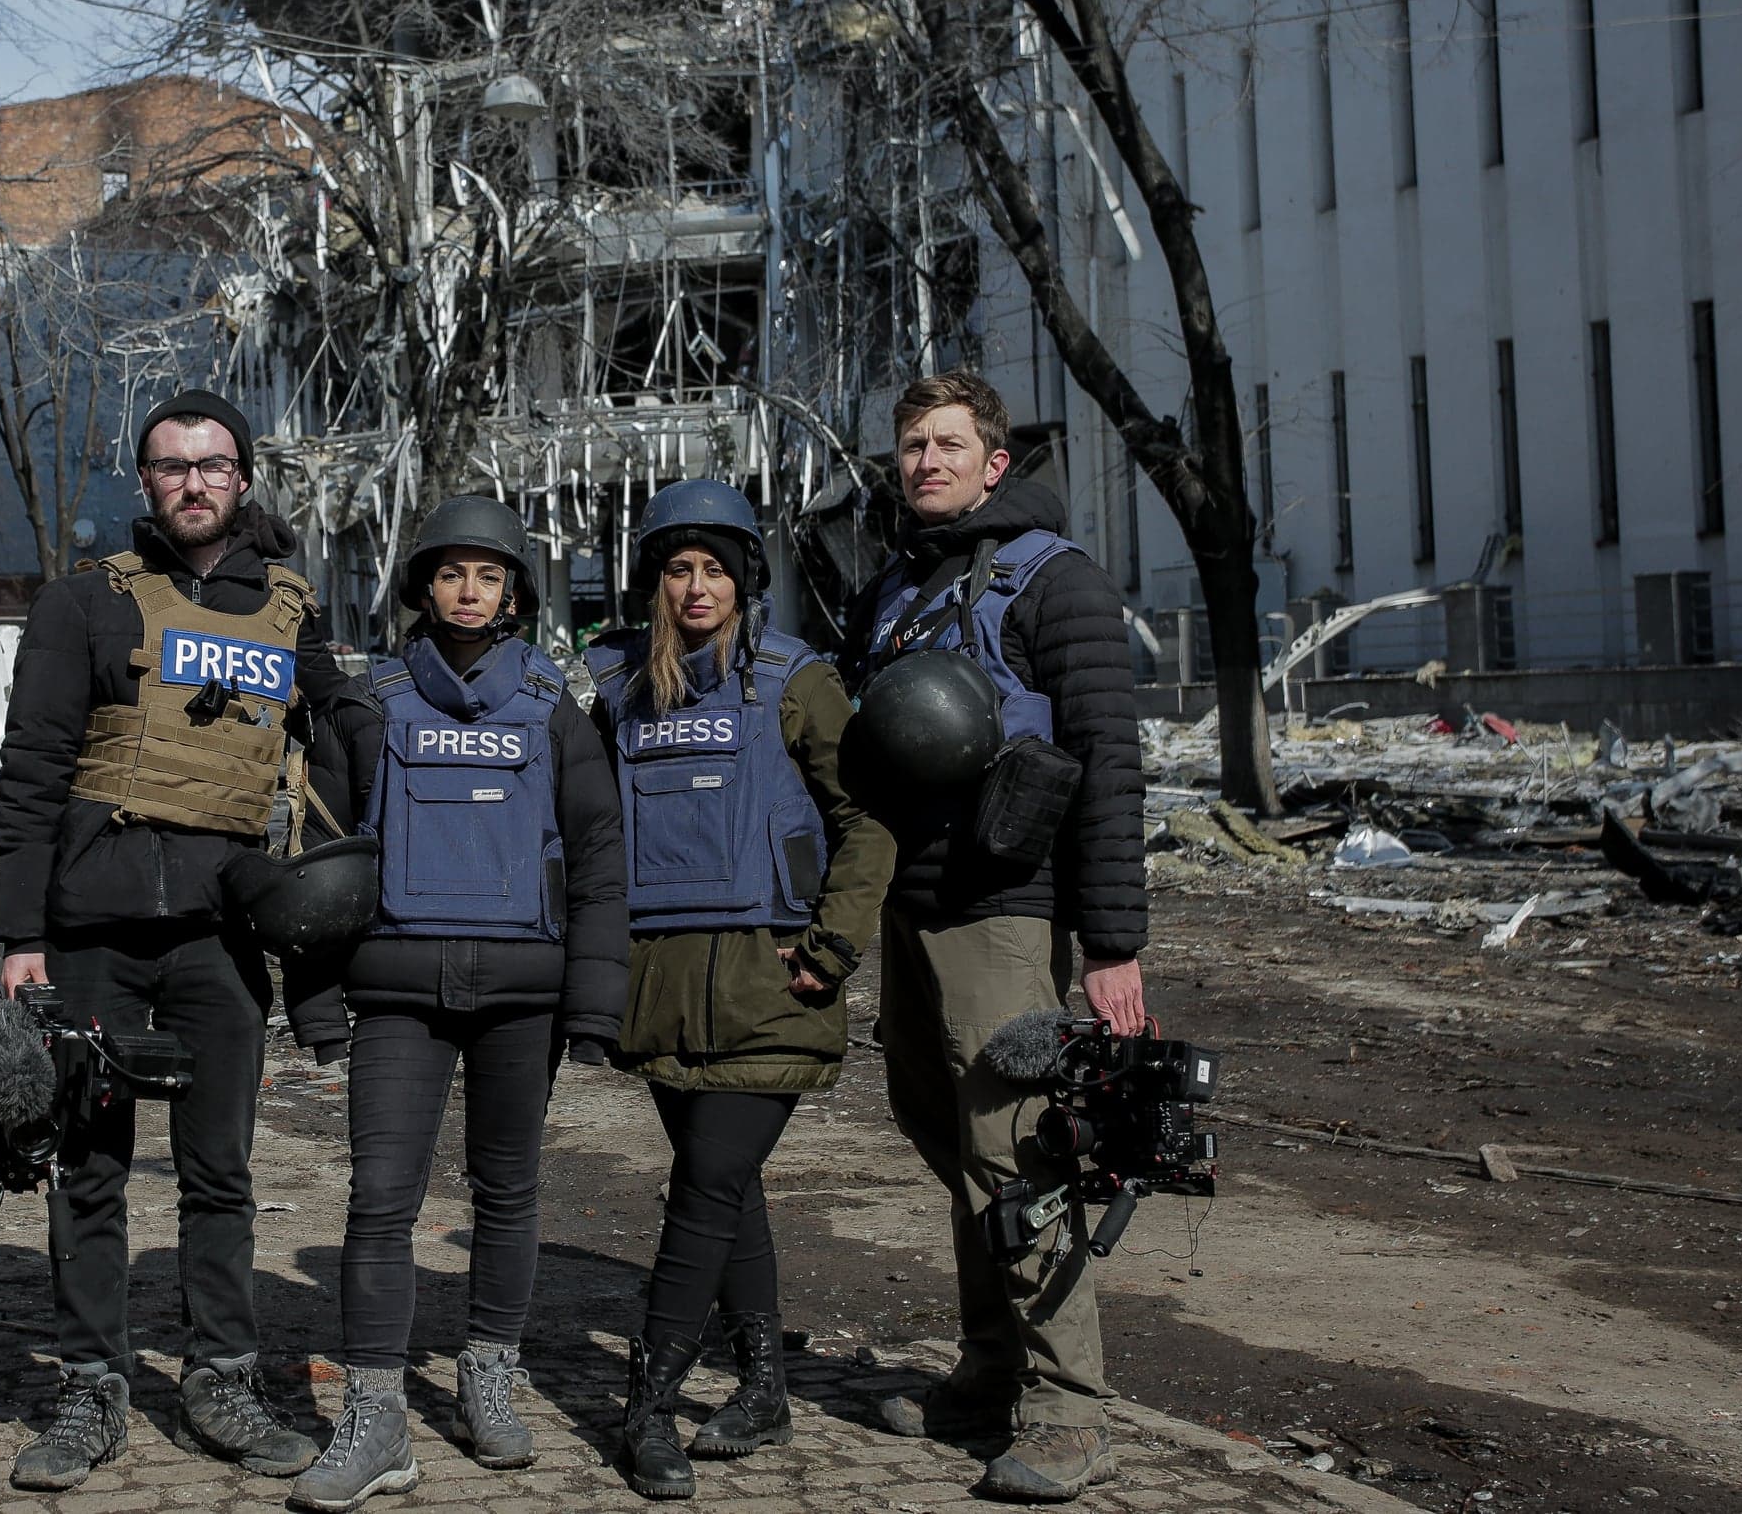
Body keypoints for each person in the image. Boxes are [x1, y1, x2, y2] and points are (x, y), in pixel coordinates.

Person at [0, 388, 380, 1494]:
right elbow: (30, 775)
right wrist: (18, 936)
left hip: (217, 934)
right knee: (91, 1173)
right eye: (172, 466)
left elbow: (338, 741)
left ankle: (221, 1383)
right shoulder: (83, 606)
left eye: (214, 465)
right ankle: (90, 1390)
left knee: (221, 1175)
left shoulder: (291, 607)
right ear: (145, 480)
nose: (194, 482)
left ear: (243, 479)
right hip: (93, 935)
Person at [285, 496, 630, 1514]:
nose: (470, 591)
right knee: (379, 1201)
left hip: (524, 991)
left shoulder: (552, 708)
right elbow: (318, 852)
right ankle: (376, 1418)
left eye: (489, 575)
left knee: (508, 1193)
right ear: (422, 587)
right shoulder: (372, 701)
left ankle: (489, 1372)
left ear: (515, 590)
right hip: (396, 991)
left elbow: (600, 858)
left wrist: (594, 1003)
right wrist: (313, 1005)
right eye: (451, 573)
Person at [840, 372, 1147, 1504]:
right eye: (911, 442)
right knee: (952, 1144)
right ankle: (987, 1371)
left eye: (948, 443)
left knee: (1018, 1152)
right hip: (909, 906)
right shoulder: (892, 590)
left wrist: (1111, 942)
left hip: (1005, 910)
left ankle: (1070, 1409)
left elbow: (1111, 763)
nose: (926, 460)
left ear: (994, 462)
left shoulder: (1057, 583)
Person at [585, 480, 896, 1501]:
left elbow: (869, 819)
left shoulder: (797, 683)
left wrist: (833, 948)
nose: (695, 586)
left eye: (714, 567)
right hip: (659, 988)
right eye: (677, 568)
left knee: (704, 1186)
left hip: (771, 985)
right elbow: (586, 841)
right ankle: (762, 1389)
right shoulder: (620, 690)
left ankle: (647, 1403)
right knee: (729, 1196)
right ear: (652, 582)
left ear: (744, 577)